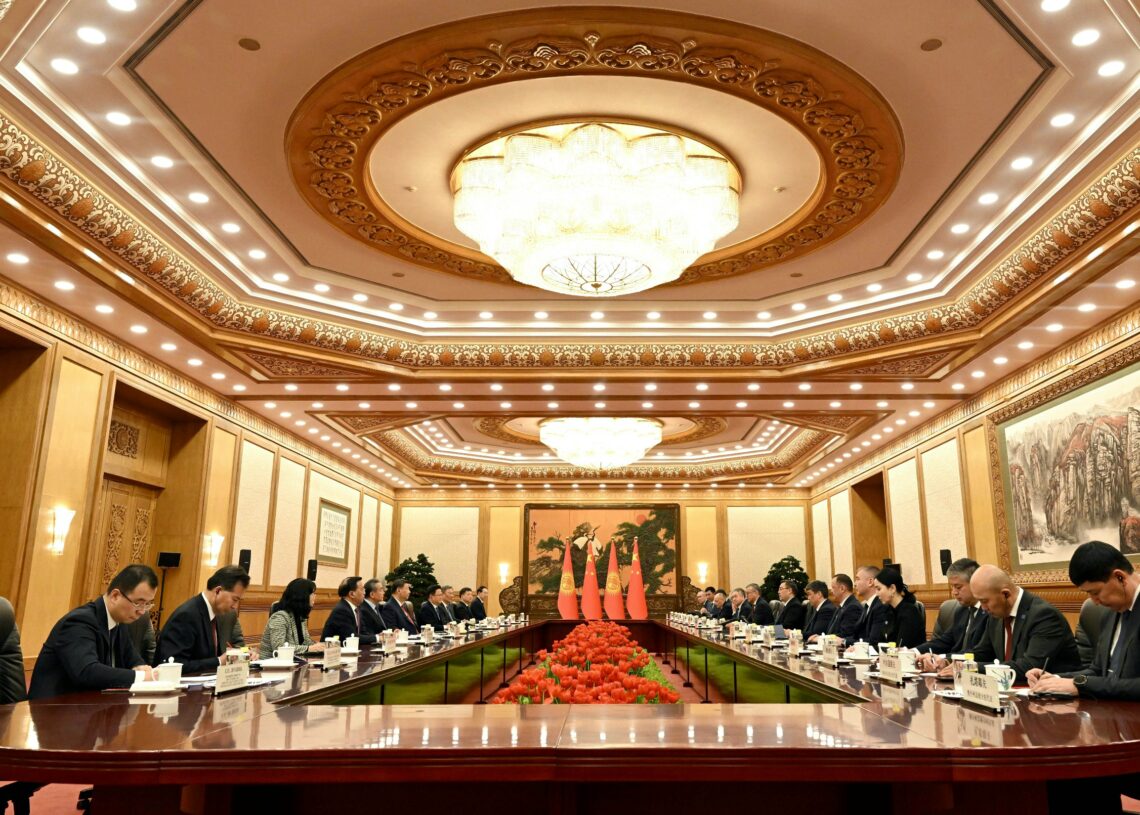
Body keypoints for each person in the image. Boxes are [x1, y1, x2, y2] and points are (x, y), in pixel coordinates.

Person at [1029, 541, 1140, 699]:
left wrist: (1081, 685)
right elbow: (1098, 671)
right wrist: (1056, 679)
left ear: (1119, 577)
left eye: (1095, 592)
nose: (1094, 601)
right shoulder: (1109, 612)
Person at [28, 564, 157, 700]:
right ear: (115, 596)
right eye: (138, 603)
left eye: (147, 604)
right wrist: (142, 676)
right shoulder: (79, 622)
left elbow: (132, 658)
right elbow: (87, 671)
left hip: (91, 706)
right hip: (53, 707)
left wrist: (141, 667)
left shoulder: (120, 621)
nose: (142, 611)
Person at [954, 564, 1080, 682]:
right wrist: (952, 662)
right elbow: (982, 652)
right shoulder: (997, 613)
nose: (983, 608)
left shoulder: (1044, 616)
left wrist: (971, 667)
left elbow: (1029, 667)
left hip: (1051, 693)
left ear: (1005, 594)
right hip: (1009, 689)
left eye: (984, 601)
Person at [155, 564, 249, 673]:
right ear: (218, 591)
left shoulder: (222, 614)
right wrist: (218, 661)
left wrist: (245, 652)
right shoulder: (187, 616)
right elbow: (172, 665)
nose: (235, 606)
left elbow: (234, 646)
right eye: (234, 599)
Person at [917, 558, 987, 672]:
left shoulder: (990, 612)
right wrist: (913, 652)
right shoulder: (961, 611)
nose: (954, 592)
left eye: (958, 587)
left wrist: (945, 659)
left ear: (975, 584)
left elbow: (981, 652)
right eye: (952, 587)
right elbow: (945, 641)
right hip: (954, 671)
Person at [259, 578, 325, 657]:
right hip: (271, 662)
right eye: (313, 593)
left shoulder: (300, 617)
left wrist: (320, 646)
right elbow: (279, 648)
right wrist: (309, 648)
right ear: (302, 596)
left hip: (293, 660)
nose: (315, 596)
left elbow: (306, 641)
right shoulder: (279, 617)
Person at [321, 576, 377, 645]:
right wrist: (377, 638)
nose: (364, 593)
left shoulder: (357, 608)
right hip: (332, 650)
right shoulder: (342, 610)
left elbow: (363, 633)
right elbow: (351, 637)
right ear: (352, 594)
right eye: (362, 589)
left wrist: (378, 637)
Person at [846, 565, 887, 648]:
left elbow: (874, 641)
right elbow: (858, 636)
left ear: (870, 582)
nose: (855, 584)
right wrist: (843, 640)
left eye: (857, 579)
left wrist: (844, 641)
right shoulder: (867, 605)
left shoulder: (880, 606)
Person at [822, 574, 862, 642]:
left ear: (842, 588)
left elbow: (846, 634)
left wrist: (824, 638)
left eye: (833, 587)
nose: (831, 591)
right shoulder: (843, 605)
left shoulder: (853, 607)